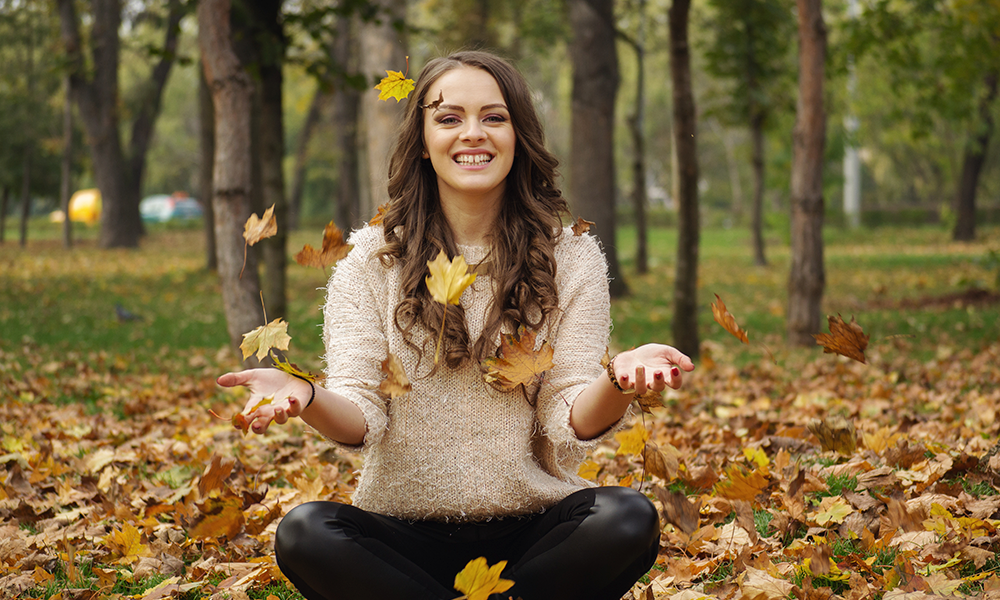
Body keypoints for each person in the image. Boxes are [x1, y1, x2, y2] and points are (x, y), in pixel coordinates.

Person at [217, 50, 695, 600]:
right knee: (305, 532)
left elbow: (569, 415)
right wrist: (305, 393)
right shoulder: (372, 261)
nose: (473, 134)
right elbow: (359, 416)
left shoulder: (572, 257)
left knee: (628, 516)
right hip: (401, 540)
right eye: (449, 118)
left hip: (534, 537)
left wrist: (617, 379)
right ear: (422, 140)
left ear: (519, 135)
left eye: (494, 117)